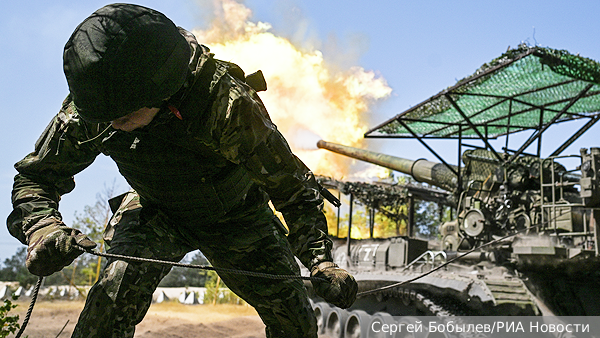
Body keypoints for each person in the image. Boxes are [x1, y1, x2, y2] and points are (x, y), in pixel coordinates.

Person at [7, 3, 357, 337]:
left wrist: (320, 262)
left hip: (238, 217)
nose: (114, 124)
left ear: (163, 90)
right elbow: (36, 177)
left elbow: (291, 189)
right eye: (106, 116)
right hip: (156, 211)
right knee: (110, 303)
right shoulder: (94, 109)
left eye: (125, 116)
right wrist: (42, 229)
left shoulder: (228, 106)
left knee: (295, 322)